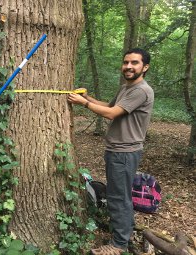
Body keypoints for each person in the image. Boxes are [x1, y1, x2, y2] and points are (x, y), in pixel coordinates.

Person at [68, 48, 154, 255]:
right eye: (126, 62)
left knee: (118, 197)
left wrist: (84, 103)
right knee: (119, 195)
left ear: (145, 67)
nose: (128, 66)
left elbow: (111, 114)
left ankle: (119, 244)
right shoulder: (127, 87)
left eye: (134, 63)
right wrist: (88, 97)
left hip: (124, 152)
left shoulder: (140, 90)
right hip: (118, 150)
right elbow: (109, 105)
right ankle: (125, 234)